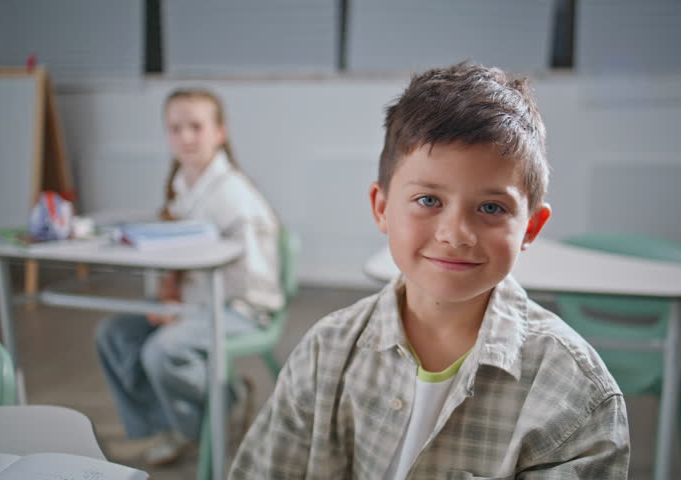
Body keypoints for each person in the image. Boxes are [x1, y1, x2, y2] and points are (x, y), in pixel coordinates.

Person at [230, 62, 630, 479]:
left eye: (491, 208)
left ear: (530, 227)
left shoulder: (576, 394)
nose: (456, 234)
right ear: (382, 207)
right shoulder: (324, 353)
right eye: (428, 200)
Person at [95, 88, 283, 466]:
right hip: (195, 300)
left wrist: (181, 309)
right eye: (175, 128)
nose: (185, 137)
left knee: (162, 350)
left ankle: (225, 402)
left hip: (241, 306)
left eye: (196, 127)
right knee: (113, 335)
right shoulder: (183, 185)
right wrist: (171, 299)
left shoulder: (232, 195)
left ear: (219, 133)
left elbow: (252, 281)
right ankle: (171, 426)